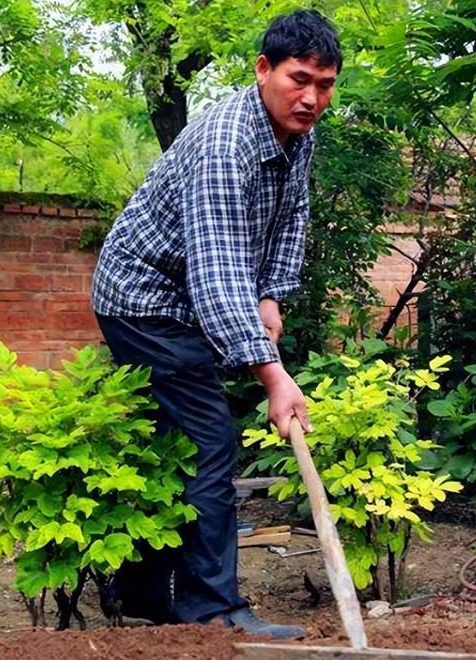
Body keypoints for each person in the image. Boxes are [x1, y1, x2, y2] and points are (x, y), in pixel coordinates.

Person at [91, 9, 341, 639]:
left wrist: (274, 297)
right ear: (263, 69)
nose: (312, 98)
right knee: (210, 441)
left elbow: (292, 218)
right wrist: (274, 376)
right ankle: (211, 611)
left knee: (174, 446)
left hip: (187, 297)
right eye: (299, 78)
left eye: (326, 83)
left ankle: (149, 600)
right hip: (145, 302)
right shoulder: (224, 144)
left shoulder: (296, 134)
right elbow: (218, 275)